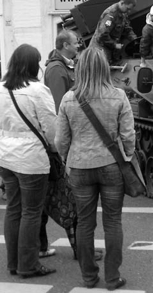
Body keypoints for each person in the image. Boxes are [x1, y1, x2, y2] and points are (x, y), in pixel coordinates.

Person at [55, 47, 135, 290]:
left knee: (85, 223)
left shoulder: (69, 98)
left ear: (79, 69)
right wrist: (128, 157)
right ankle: (112, 278)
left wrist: (68, 159)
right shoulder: (118, 96)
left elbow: (61, 140)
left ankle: (89, 277)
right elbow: (128, 135)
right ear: (104, 68)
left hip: (79, 167)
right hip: (111, 165)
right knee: (113, 222)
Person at [0, 44, 57, 277]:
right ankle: (28, 265)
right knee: (32, 212)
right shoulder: (38, 90)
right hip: (31, 158)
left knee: (13, 209)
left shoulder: (2, 88)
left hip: (6, 156)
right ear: (33, 65)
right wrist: (58, 151)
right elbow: (52, 130)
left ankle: (13, 263)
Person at [39, 29, 80, 259]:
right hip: (61, 143)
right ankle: (77, 248)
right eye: (75, 43)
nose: (77, 46)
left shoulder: (65, 66)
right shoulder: (56, 70)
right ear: (65, 45)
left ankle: (43, 245)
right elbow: (57, 109)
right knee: (65, 198)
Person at [89, 0, 137, 64]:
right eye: (128, 9)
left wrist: (135, 39)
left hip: (111, 47)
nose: (129, 11)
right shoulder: (110, 15)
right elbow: (102, 35)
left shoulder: (123, 12)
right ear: (122, 3)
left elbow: (126, 28)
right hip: (100, 48)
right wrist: (115, 45)